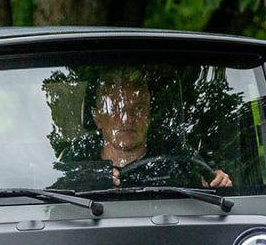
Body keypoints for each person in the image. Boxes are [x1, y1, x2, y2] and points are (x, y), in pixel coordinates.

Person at [90, 71, 232, 189]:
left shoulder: (179, 165)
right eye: (116, 108)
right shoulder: (77, 162)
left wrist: (218, 184)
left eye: (138, 108)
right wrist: (89, 181)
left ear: (149, 116)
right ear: (97, 117)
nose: (127, 117)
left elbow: (212, 197)